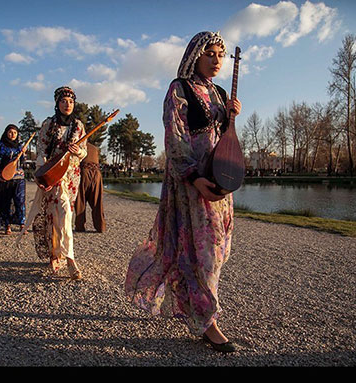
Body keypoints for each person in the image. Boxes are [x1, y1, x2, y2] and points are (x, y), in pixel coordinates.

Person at [124, 31, 242, 353]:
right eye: (210, 54)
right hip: (190, 181)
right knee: (201, 252)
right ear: (195, 56)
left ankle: (192, 304)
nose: (217, 60)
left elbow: (224, 140)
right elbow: (175, 138)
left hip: (217, 176)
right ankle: (207, 322)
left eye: (221, 55)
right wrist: (193, 177)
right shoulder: (179, 89)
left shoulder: (218, 92)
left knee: (216, 250)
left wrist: (231, 117)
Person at [24, 86, 87, 281]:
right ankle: (59, 256)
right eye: (63, 101)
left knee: (65, 214)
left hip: (70, 177)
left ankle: (67, 256)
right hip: (52, 177)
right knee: (54, 216)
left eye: (70, 101)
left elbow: (84, 152)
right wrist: (43, 172)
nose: (67, 104)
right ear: (57, 103)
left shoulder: (78, 126)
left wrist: (77, 151)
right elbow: (41, 150)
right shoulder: (48, 124)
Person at [0, 125, 26, 234]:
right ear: (6, 133)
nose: (12, 134)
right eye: (10, 132)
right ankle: (6, 225)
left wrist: (23, 153)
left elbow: (23, 162)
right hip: (5, 177)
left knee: (20, 200)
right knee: (5, 202)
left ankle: (22, 223)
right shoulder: (1, 146)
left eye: (15, 133)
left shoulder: (20, 146)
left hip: (19, 177)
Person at [74, 142, 106, 233]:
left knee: (80, 200)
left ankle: (80, 226)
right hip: (96, 173)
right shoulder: (94, 148)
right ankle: (101, 226)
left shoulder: (78, 145)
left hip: (83, 171)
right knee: (97, 201)